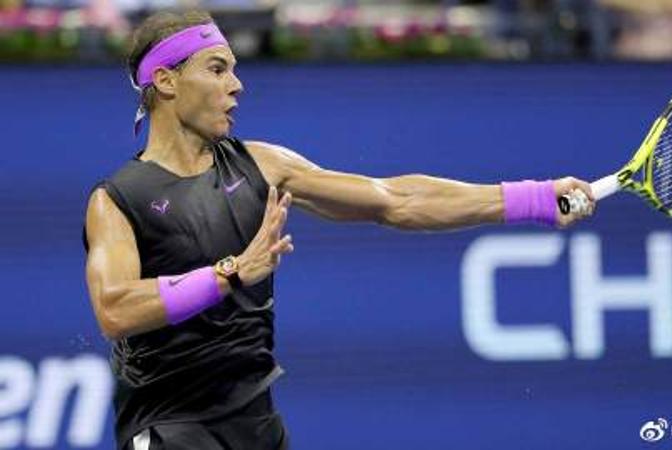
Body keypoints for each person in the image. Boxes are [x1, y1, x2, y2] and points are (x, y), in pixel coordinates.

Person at [83, 9, 596, 450]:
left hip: (258, 426)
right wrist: (230, 274)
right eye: (217, 69)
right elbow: (115, 309)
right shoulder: (116, 199)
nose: (236, 85)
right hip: (169, 430)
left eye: (234, 70)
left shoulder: (263, 165)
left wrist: (533, 199)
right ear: (167, 81)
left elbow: (394, 200)